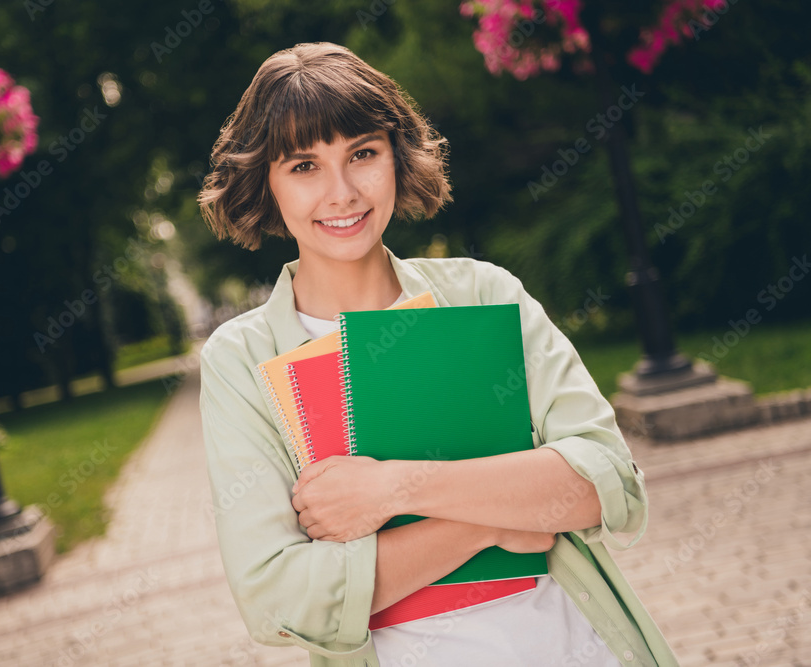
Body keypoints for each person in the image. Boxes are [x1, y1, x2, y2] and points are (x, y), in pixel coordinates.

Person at [196, 41, 678, 666]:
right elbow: (281, 600)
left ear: (397, 157)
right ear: (266, 181)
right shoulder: (241, 360)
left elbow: (602, 484)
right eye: (304, 166)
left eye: (362, 154)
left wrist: (389, 489)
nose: (341, 193)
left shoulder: (484, 293)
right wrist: (493, 520)